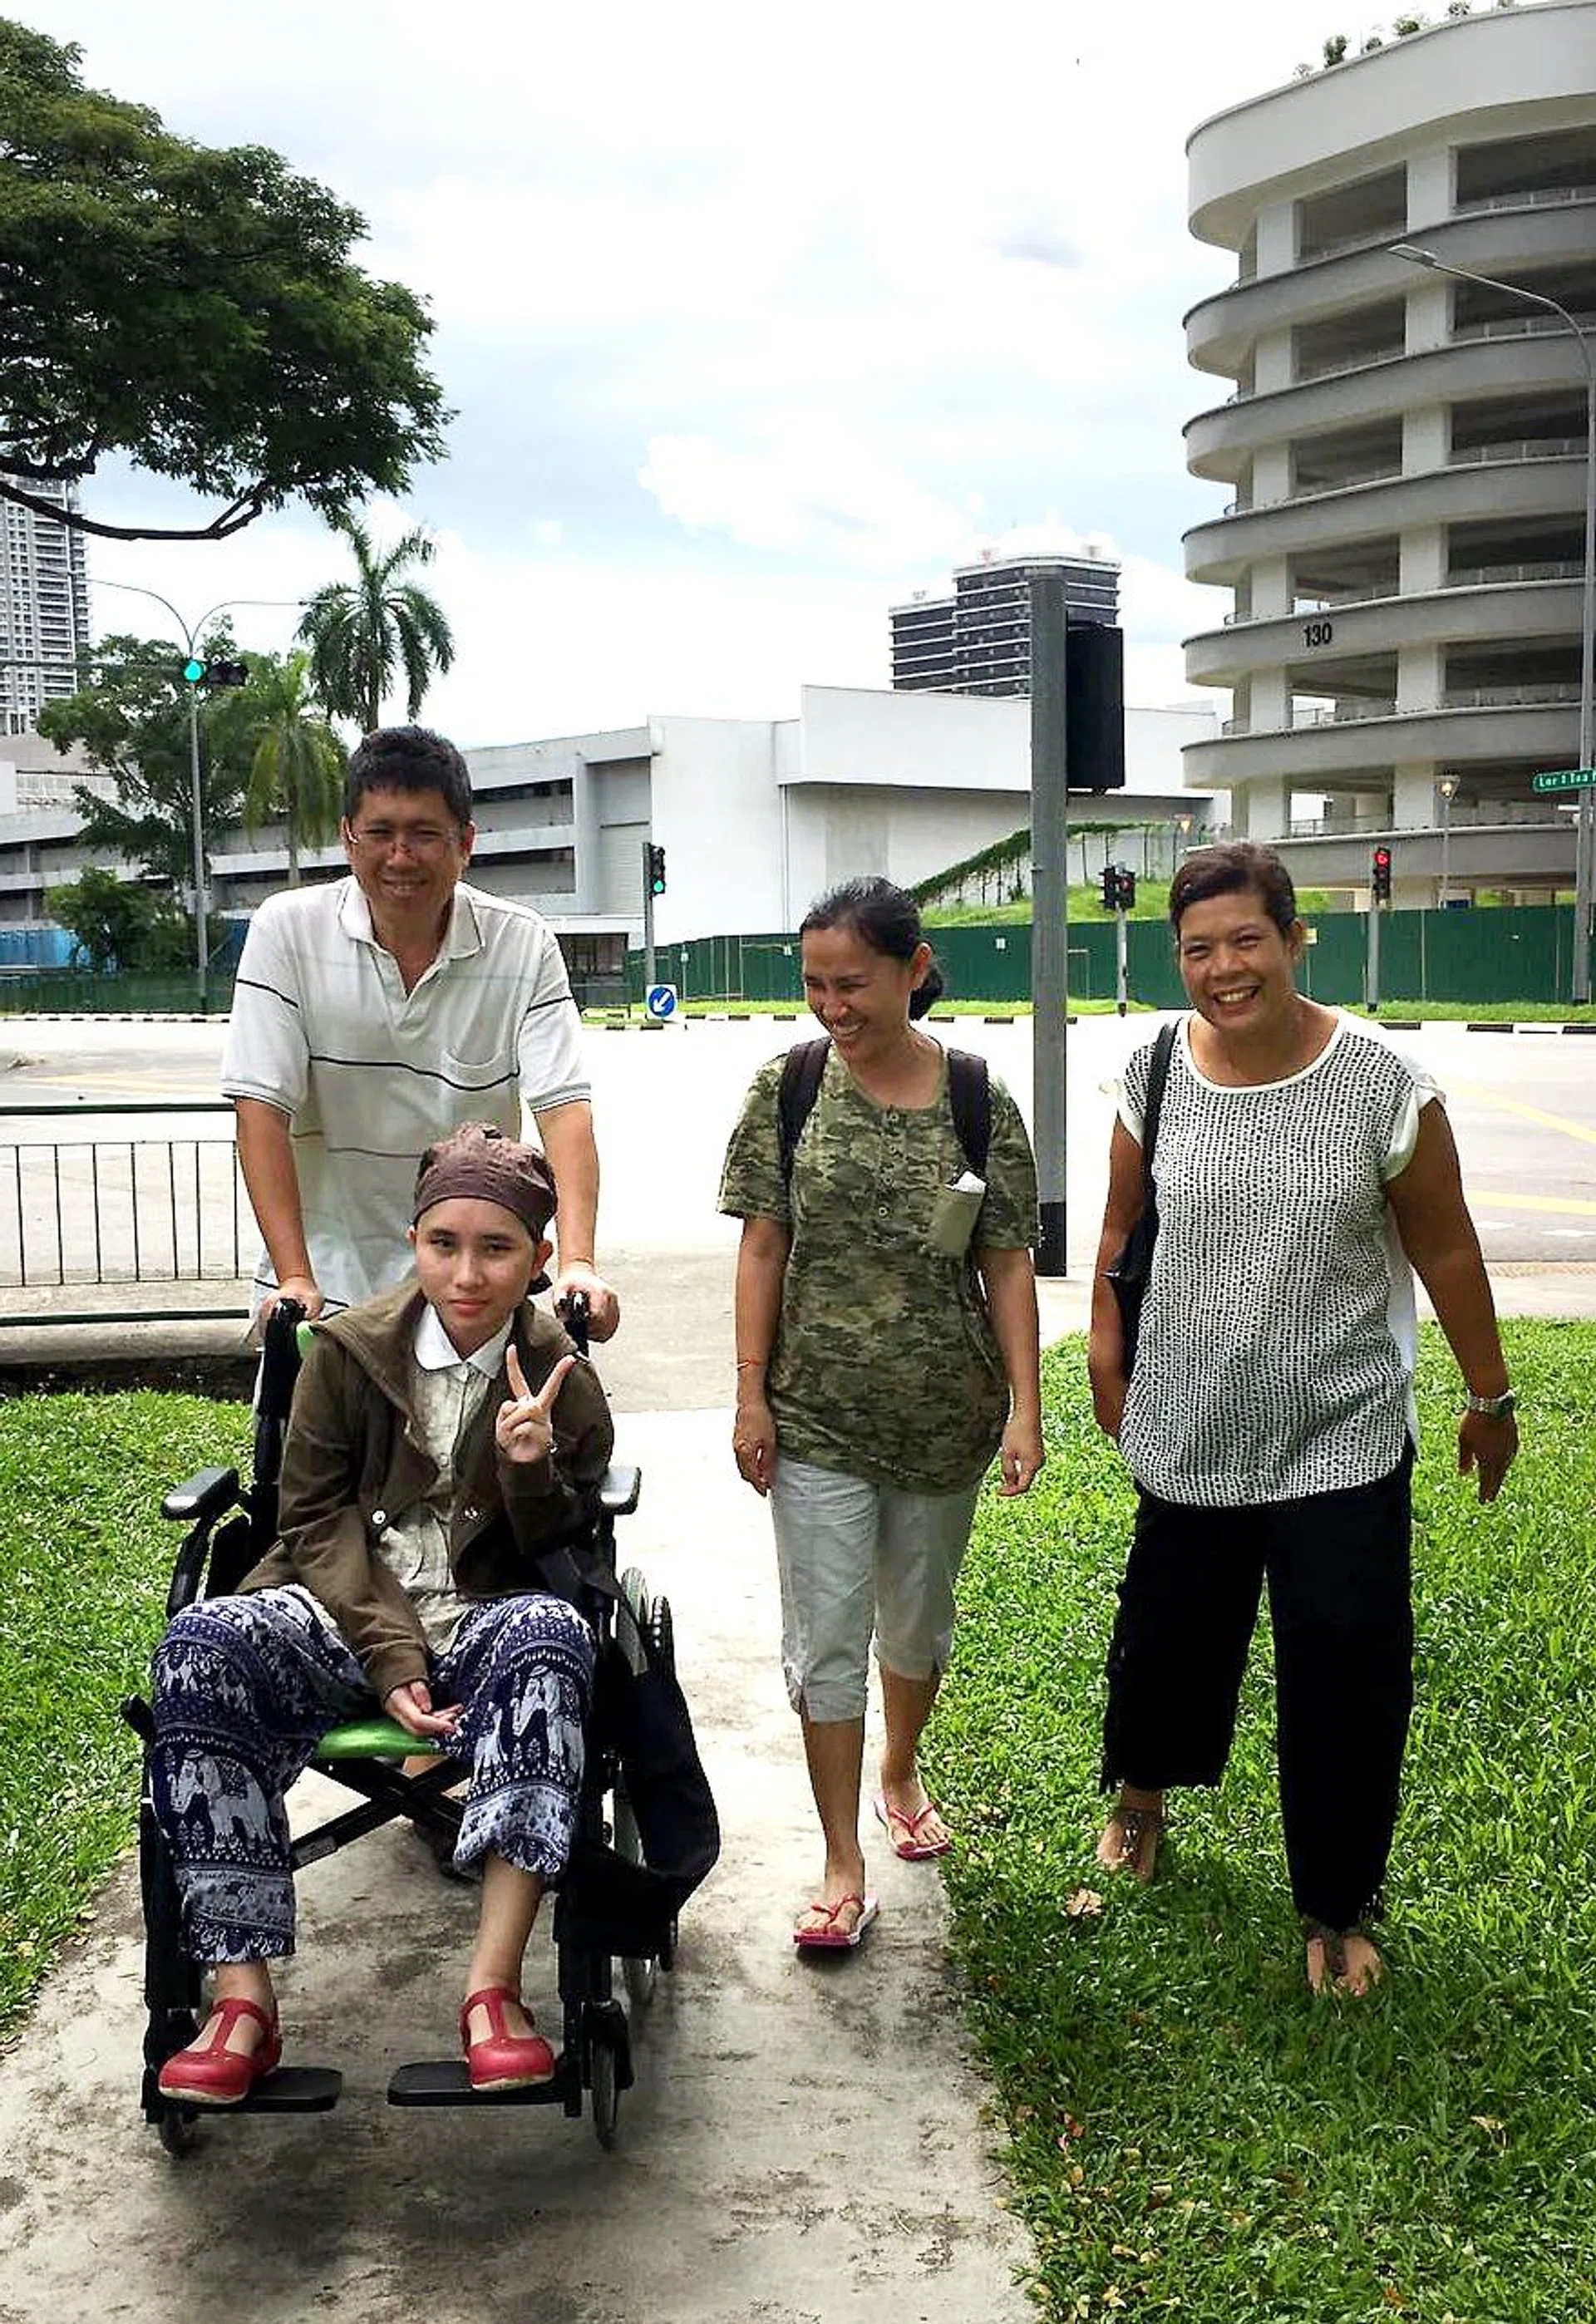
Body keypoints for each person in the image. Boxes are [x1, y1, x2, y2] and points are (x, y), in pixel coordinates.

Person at [1087, 840, 1518, 1997]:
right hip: (1190, 1416)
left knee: (1345, 1665)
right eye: (1198, 949)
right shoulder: (1158, 1069)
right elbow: (1125, 1227)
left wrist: (1490, 1395)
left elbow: (1446, 1243)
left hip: (1342, 1431)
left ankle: (1337, 1900)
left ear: (1292, 939)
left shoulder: (1381, 1082)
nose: (1223, 969)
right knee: (1168, 1638)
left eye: (1245, 941)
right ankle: (1142, 1795)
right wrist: (1102, 1341)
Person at [150, 1124, 614, 2102]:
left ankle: (495, 1994)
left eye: (498, 1249)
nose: (468, 1273)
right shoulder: (349, 1354)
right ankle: (240, 2002)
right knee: (200, 1646)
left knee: (556, 1641)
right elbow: (311, 1516)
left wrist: (532, 1470)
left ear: (537, 1259)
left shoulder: (560, 1372)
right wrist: (392, 1656)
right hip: (352, 1604)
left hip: (491, 1609)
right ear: (414, 1240)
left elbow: (561, 1541)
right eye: (444, 1243)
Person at [719, 877, 1044, 1951]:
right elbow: (763, 1245)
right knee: (824, 1643)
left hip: (943, 1415)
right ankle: (840, 1863)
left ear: (915, 969)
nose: (831, 1006)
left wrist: (1024, 1412)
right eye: (814, 984)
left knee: (915, 1626)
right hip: (815, 1415)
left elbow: (1007, 1262)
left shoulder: (979, 1099)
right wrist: (749, 1389)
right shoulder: (790, 1087)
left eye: (852, 983)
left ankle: (898, 1770)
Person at [222, 722, 618, 1338]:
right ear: (348, 839)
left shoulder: (523, 943)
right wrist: (295, 1275)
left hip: (471, 1289)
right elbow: (260, 1109)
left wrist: (578, 1263)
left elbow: (563, 1108)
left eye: (424, 835)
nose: (400, 857)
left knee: (502, 1435)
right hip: (329, 1288)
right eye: (380, 833)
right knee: (316, 1433)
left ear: (466, 842)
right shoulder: (287, 932)